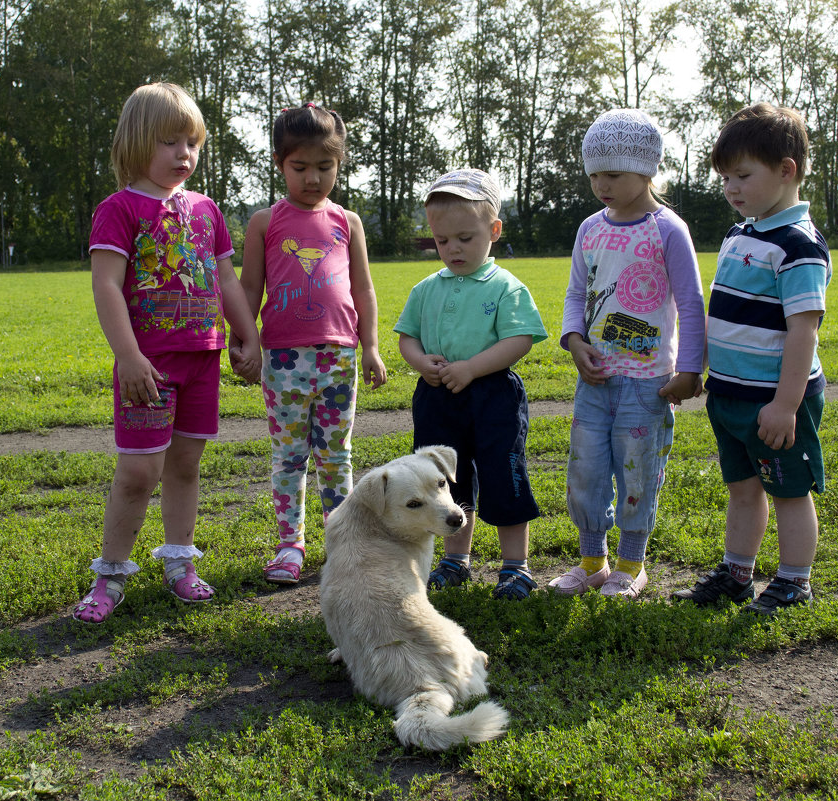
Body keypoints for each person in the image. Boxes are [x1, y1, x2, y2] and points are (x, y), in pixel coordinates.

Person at [73, 82, 262, 624]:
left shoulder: (206, 210)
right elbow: (106, 286)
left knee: (184, 465)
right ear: (136, 143)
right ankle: (109, 575)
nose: (185, 154)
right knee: (139, 472)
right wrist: (128, 356)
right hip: (148, 365)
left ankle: (180, 562)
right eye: (170, 143)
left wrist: (247, 335)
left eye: (192, 143)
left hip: (203, 359)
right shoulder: (118, 210)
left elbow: (226, 277)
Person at [672, 102, 832, 615]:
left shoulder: (797, 245)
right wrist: (700, 371)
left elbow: (802, 332)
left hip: (776, 400)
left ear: (787, 171)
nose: (731, 189)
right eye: (725, 179)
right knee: (743, 489)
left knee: (789, 491)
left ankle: (793, 582)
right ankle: (737, 574)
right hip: (731, 394)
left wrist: (786, 405)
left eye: (742, 175)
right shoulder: (741, 234)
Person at [548, 109, 707, 600]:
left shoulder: (668, 230)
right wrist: (575, 342)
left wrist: (690, 371)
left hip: (647, 382)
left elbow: (690, 303)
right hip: (594, 381)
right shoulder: (589, 229)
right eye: (594, 174)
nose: (601, 185)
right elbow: (578, 294)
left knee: (638, 470)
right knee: (587, 469)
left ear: (646, 169)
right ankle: (592, 562)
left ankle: (631, 565)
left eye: (612, 174)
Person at [229, 103, 387, 586]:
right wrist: (246, 341)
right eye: (300, 167)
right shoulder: (264, 222)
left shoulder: (349, 222)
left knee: (336, 455)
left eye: (325, 166)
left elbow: (363, 290)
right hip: (282, 359)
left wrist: (371, 346)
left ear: (339, 165)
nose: (313, 178)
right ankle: (289, 545)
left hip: (338, 355)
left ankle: (341, 545)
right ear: (280, 163)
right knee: (289, 455)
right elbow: (249, 288)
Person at [395, 168, 548, 600]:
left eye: (465, 237)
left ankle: (515, 567)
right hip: (437, 396)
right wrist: (421, 362)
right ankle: (455, 560)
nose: (453, 249)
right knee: (444, 481)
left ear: (494, 230)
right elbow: (407, 336)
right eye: (443, 241)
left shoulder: (506, 287)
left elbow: (519, 340)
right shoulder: (426, 288)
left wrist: (472, 368)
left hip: (492, 395)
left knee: (504, 474)